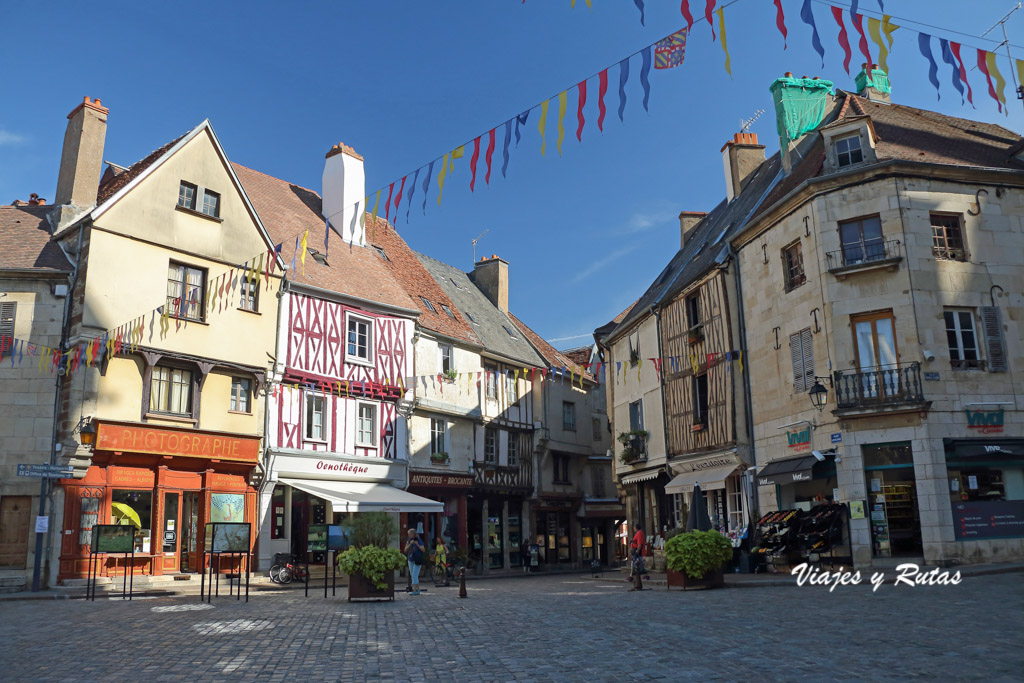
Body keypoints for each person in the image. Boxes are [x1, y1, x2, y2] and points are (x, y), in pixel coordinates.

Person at [405, 528, 426, 595]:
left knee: (414, 574)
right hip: (410, 559)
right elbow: (405, 550)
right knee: (413, 575)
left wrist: (417, 544)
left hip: (417, 559)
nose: (409, 535)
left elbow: (423, 550)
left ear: (413, 534)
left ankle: (414, 590)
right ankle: (417, 589)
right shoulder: (409, 540)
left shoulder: (418, 540)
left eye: (410, 534)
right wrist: (410, 544)